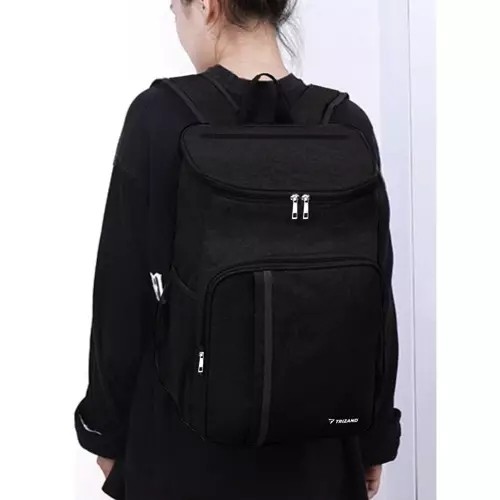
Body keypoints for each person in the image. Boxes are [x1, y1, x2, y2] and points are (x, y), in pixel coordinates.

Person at [74, 1, 402, 499]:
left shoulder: (160, 117)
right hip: (320, 456)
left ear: (207, 6)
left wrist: (104, 433)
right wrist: (374, 439)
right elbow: (376, 303)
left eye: (176, 10)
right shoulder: (345, 123)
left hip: (182, 452)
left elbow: (121, 293)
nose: (177, 23)